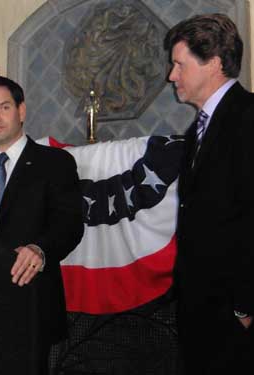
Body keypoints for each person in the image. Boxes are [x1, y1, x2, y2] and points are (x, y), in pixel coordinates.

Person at [0, 76, 84, 373]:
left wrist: (40, 248)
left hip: (30, 302)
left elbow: (70, 223)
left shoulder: (55, 162)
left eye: (4, 107)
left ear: (21, 111)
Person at [164, 14, 254, 373]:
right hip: (200, 311)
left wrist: (244, 306)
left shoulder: (248, 118)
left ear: (214, 63)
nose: (171, 75)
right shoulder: (196, 132)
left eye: (179, 65)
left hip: (234, 314)